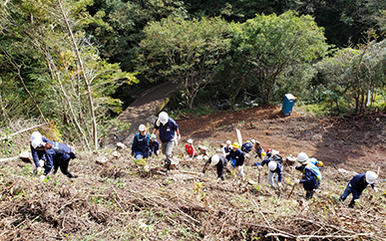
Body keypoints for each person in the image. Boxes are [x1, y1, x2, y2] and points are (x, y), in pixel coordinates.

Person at [152, 111, 180, 175]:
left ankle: (168, 169)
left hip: (170, 139)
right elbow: (156, 127)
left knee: (168, 153)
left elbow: (176, 128)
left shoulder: (171, 121)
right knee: (164, 152)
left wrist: (178, 135)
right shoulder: (158, 121)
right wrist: (153, 134)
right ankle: (169, 157)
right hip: (163, 139)